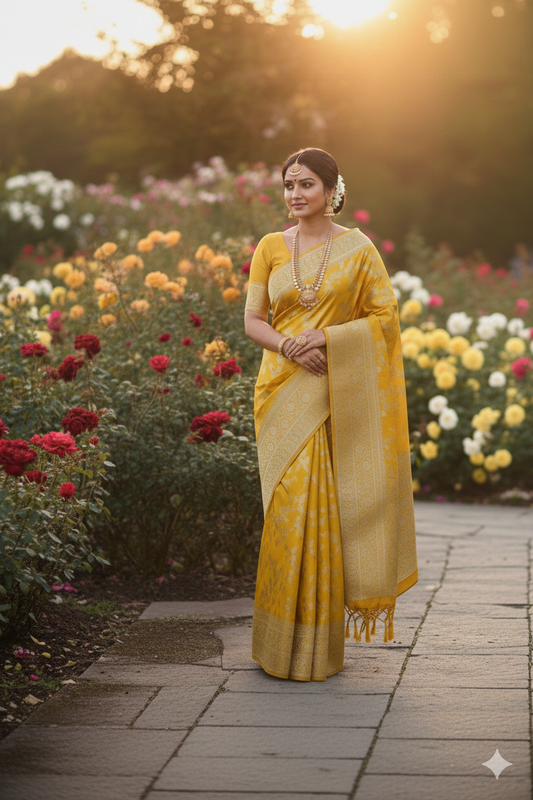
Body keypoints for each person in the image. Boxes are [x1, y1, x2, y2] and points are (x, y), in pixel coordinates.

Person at [244, 147, 418, 682]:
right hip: (281, 391)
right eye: (289, 185)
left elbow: (385, 317)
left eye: (307, 185)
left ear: (331, 189)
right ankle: (276, 644)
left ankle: (318, 647)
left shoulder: (359, 249)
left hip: (333, 391)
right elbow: (253, 321)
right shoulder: (271, 248)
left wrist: (329, 336)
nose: (296, 194)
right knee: (289, 510)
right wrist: (292, 346)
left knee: (322, 512)